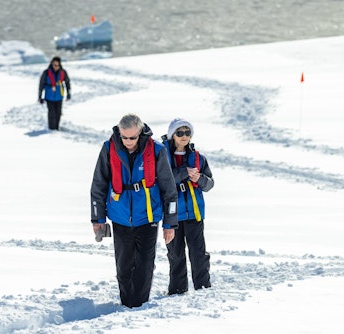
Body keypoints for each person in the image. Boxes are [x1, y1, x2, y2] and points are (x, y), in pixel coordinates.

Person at [90, 113, 178, 308]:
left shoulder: (157, 150)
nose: (128, 141)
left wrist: (170, 223)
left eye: (132, 137)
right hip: (120, 217)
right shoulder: (108, 148)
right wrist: (98, 218)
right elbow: (99, 184)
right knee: (123, 267)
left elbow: (168, 188)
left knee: (144, 266)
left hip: (148, 217)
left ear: (140, 133)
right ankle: (126, 304)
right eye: (124, 137)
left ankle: (139, 306)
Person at [161, 118, 214, 295]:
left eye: (187, 132)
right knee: (175, 254)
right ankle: (177, 290)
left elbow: (210, 184)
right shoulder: (162, 157)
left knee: (198, 253)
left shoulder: (199, 158)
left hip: (194, 213)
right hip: (173, 215)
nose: (184, 136)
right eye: (180, 133)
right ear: (172, 136)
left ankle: (203, 287)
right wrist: (184, 173)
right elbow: (161, 181)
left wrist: (200, 179)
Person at [38, 56, 71, 130]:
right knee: (51, 113)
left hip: (59, 96)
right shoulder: (46, 73)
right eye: (54, 65)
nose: (55, 67)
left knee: (58, 113)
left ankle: (56, 127)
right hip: (49, 97)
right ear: (51, 64)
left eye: (57, 65)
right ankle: (51, 129)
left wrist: (68, 94)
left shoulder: (63, 72)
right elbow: (41, 85)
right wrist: (39, 96)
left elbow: (67, 83)